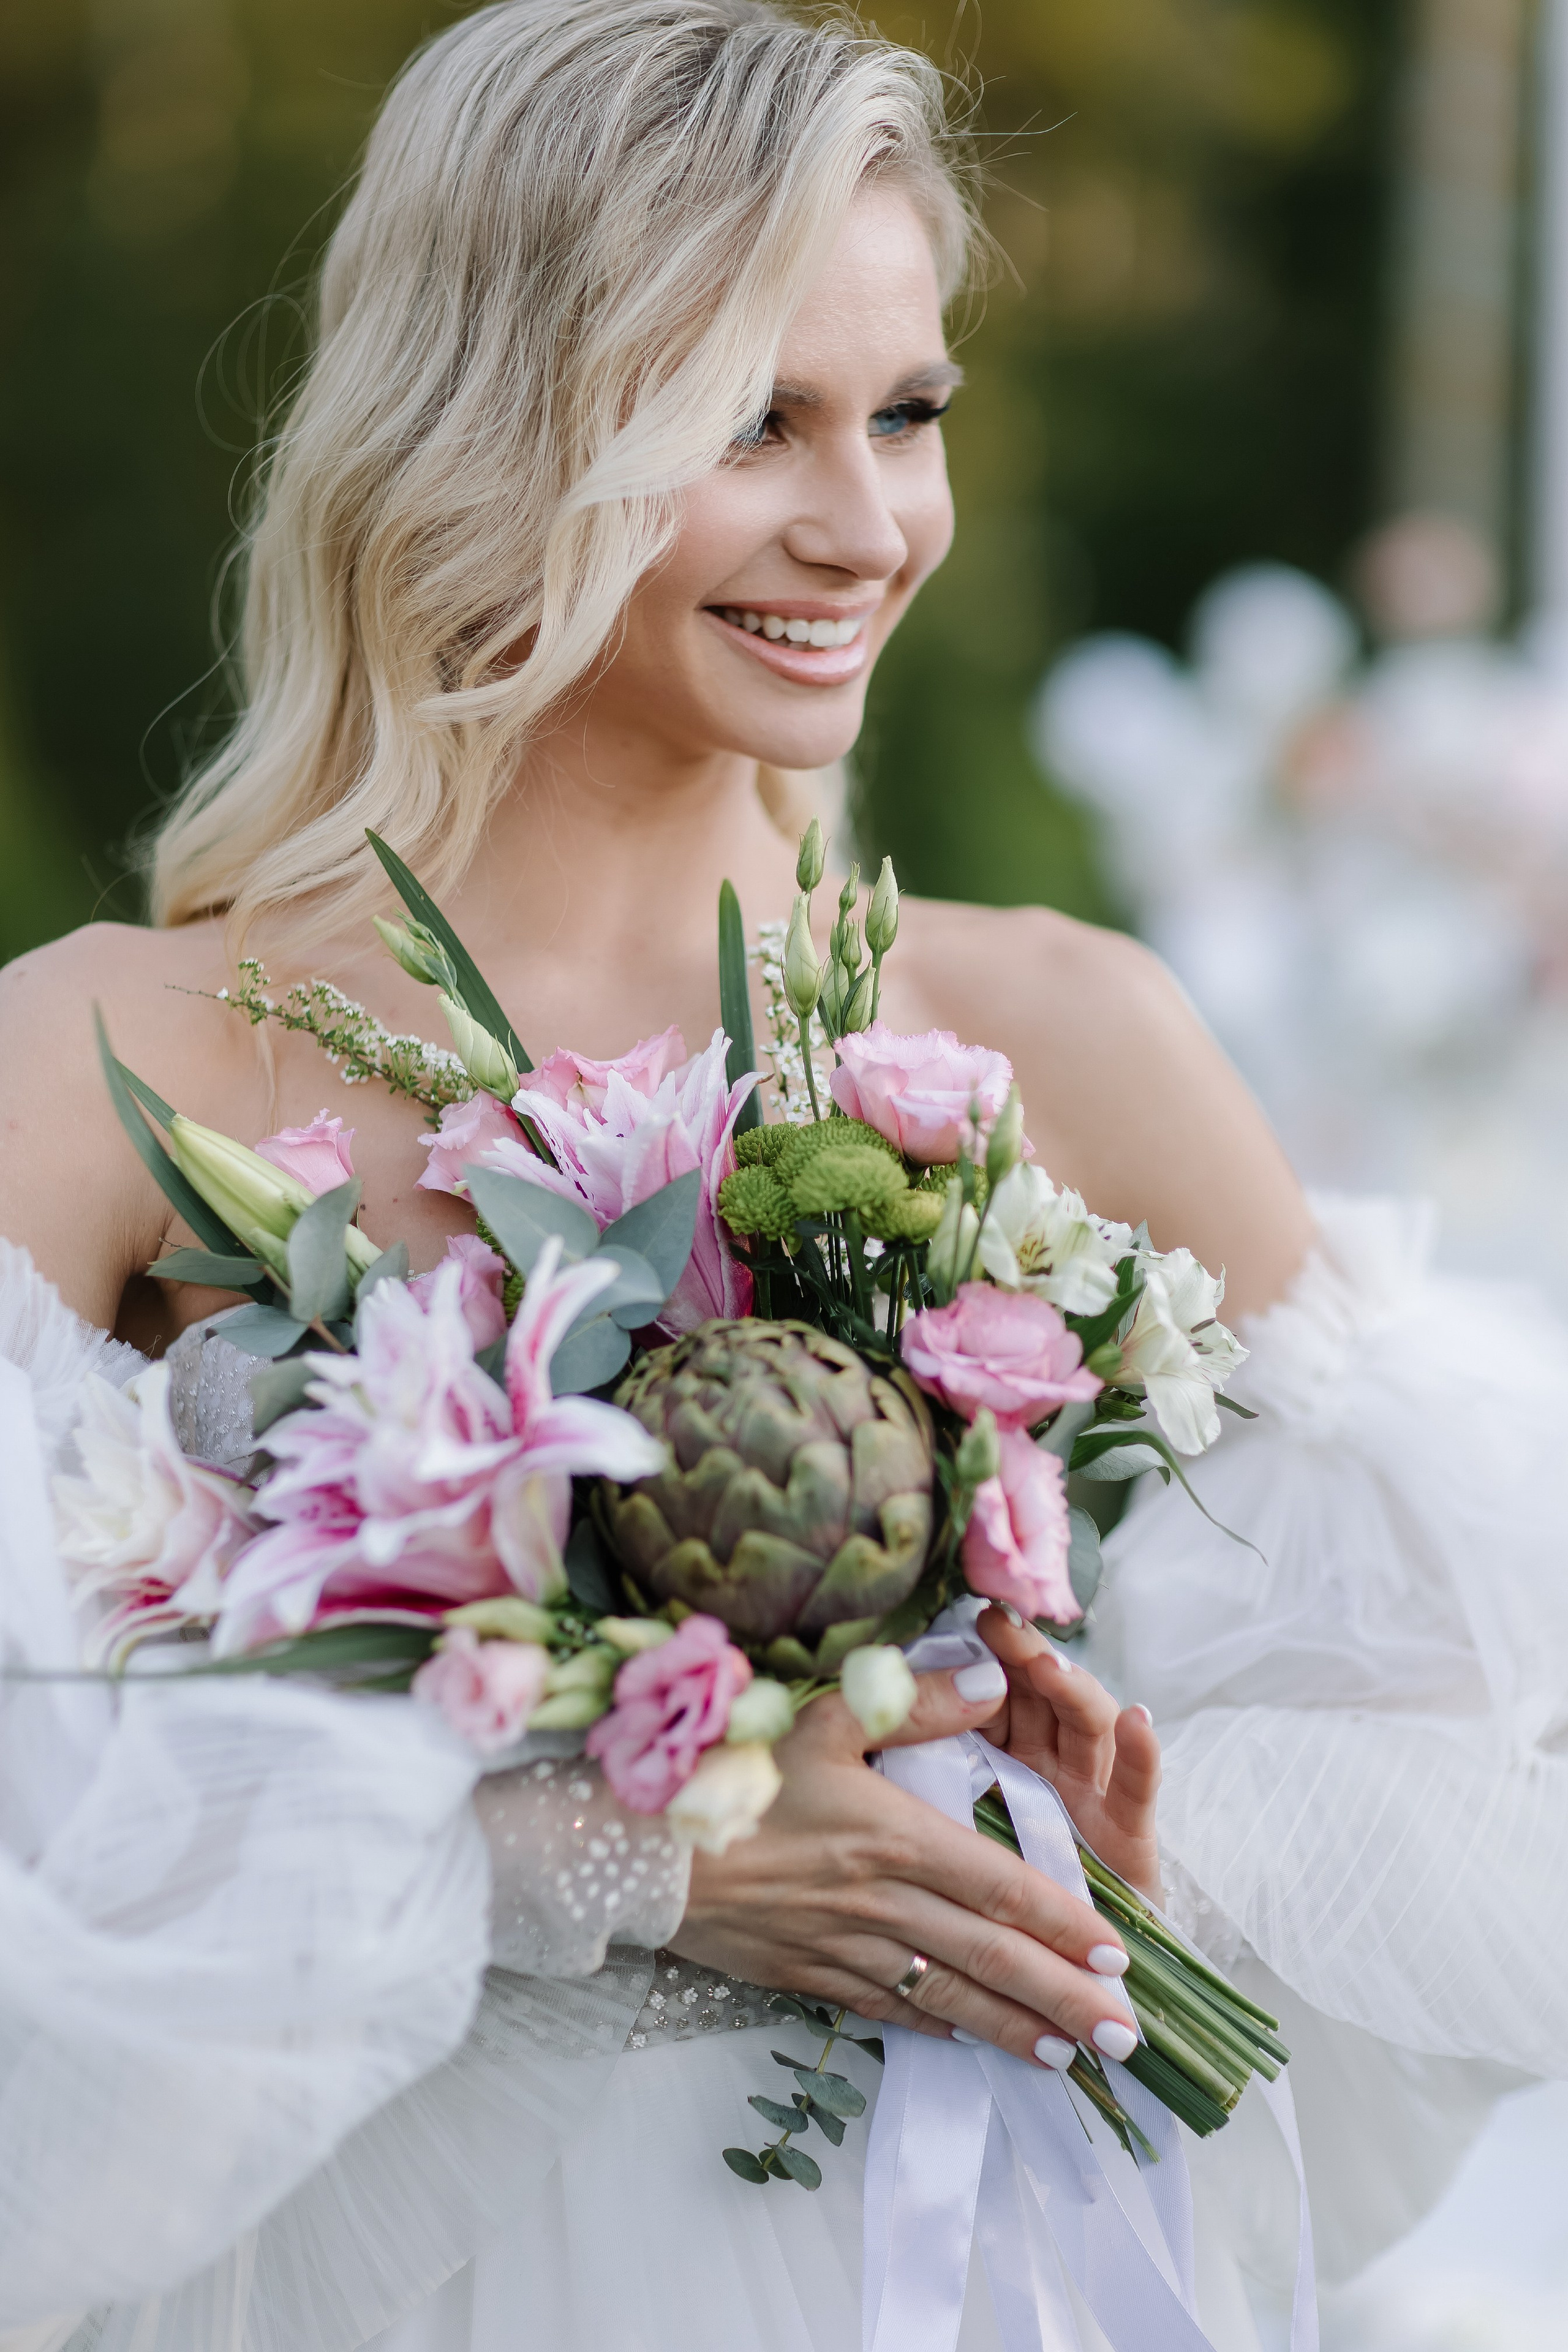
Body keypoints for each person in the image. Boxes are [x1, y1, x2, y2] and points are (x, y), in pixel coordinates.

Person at [0, 4, 1562, 2348]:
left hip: (967, 2263)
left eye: (906, 412)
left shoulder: (1058, 1030)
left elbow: (1469, 1775)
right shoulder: (113, 1054)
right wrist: (592, 1854)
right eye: (755, 422)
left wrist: (1104, 1860)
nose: (868, 524)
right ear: (497, 429)